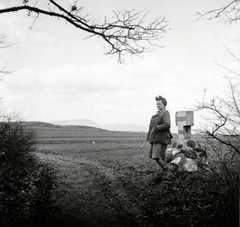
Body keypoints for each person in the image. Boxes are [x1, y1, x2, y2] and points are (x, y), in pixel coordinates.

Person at [146, 95, 172, 169]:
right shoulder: (158, 113)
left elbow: (167, 124)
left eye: (159, 104)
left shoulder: (165, 112)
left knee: (156, 157)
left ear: (164, 104)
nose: (158, 105)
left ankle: (166, 170)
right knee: (161, 157)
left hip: (162, 137)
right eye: (157, 104)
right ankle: (166, 171)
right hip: (156, 137)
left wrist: (157, 127)